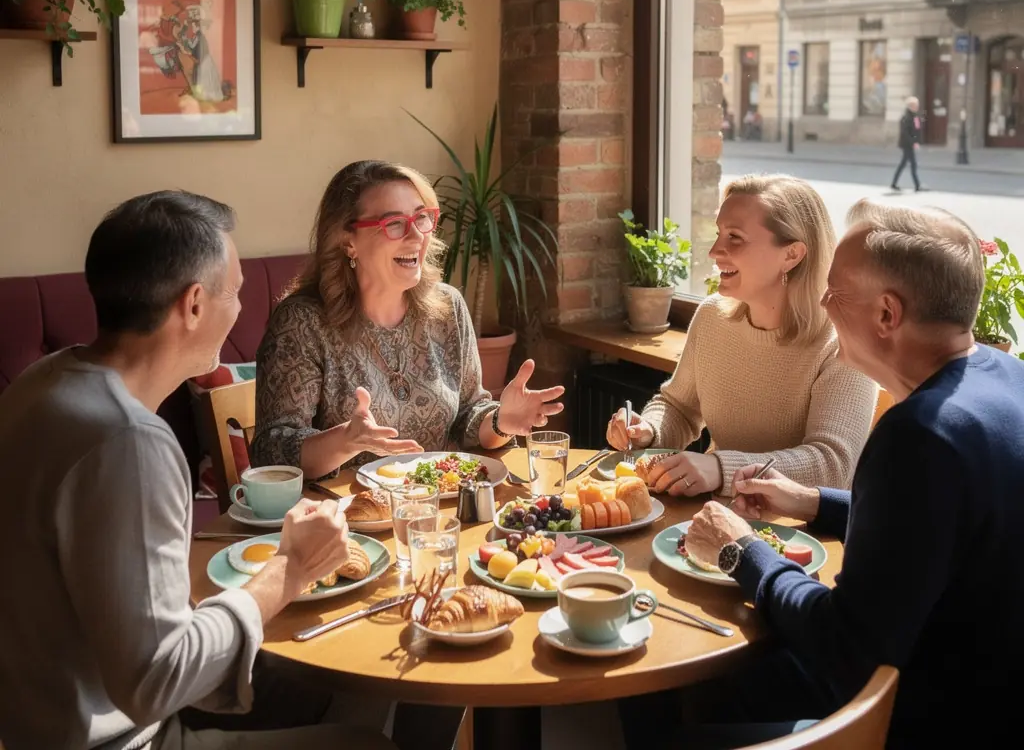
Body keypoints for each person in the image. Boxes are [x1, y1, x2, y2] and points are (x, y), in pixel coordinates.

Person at [0, 192, 394, 750]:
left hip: (32, 719)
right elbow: (156, 680)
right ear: (192, 305)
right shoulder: (128, 441)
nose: (238, 309)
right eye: (232, 293)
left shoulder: (41, 384)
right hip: (123, 738)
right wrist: (291, 566)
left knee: (362, 672)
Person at [682, 200, 1024, 748]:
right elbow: (938, 533)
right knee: (718, 685)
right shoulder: (1005, 377)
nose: (821, 301)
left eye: (835, 291)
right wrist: (813, 502)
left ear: (888, 314)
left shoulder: (920, 435)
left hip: (919, 717)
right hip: (978, 685)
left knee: (659, 709)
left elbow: (845, 645)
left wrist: (740, 550)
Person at [251, 158, 564, 478]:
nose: (417, 236)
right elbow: (270, 451)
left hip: (440, 507)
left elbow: (469, 416)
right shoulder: (302, 324)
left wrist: (500, 421)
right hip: (343, 518)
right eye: (395, 223)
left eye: (422, 217)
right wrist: (345, 441)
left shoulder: (447, 308)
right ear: (348, 241)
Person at [606, 174, 876, 498]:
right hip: (719, 516)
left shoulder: (843, 343)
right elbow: (678, 406)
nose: (715, 251)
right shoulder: (712, 317)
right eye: (719, 233)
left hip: (808, 537)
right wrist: (649, 430)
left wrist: (721, 469)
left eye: (735, 237)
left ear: (792, 254)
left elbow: (832, 465)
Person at [891, 95, 923, 192]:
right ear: (910, 106)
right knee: (913, 164)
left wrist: (917, 141)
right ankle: (917, 185)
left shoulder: (915, 116)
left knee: (903, 164)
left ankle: (894, 183)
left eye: (917, 105)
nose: (917, 107)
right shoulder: (906, 117)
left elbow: (917, 130)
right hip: (906, 144)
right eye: (915, 105)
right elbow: (905, 132)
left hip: (910, 143)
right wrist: (913, 142)